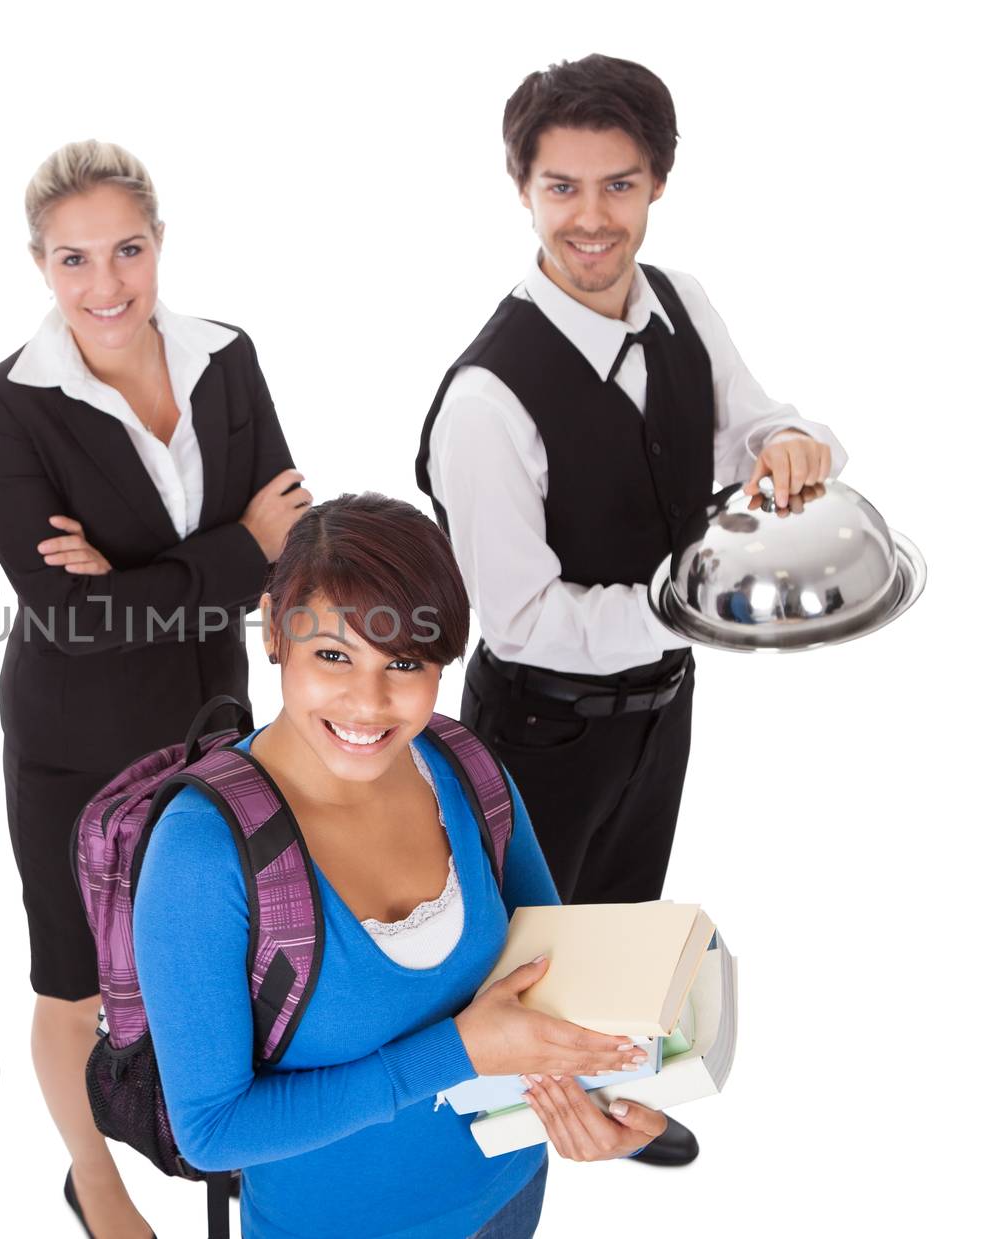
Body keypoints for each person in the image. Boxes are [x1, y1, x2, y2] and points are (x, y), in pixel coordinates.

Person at [415, 54, 847, 1166]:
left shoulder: (680, 303)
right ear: (522, 189)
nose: (591, 217)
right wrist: (694, 611)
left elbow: (753, 425)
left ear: (656, 184)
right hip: (540, 725)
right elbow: (518, 621)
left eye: (617, 184)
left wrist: (791, 444)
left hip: (659, 702)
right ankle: (486, 1141)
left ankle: (603, 1087)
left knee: (617, 918)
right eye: (562, 186)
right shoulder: (486, 398)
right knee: (518, 960)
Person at [133, 493, 669, 1239]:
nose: (369, 703)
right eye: (333, 655)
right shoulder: (201, 854)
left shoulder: (465, 767)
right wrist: (457, 1051)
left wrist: (604, 1098)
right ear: (273, 631)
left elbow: (553, 974)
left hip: (507, 1195)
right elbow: (214, 1129)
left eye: (406, 663)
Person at [0, 140, 309, 1238]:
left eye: (127, 250)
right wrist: (229, 553)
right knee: (77, 982)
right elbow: (69, 619)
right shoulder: (6, 405)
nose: (104, 285)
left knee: (218, 957)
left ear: (160, 244)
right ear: (38, 265)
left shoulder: (226, 358)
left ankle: (220, 1140)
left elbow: (292, 536)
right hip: (78, 740)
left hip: (213, 721)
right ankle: (95, 1181)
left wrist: (150, 580)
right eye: (73, 260)